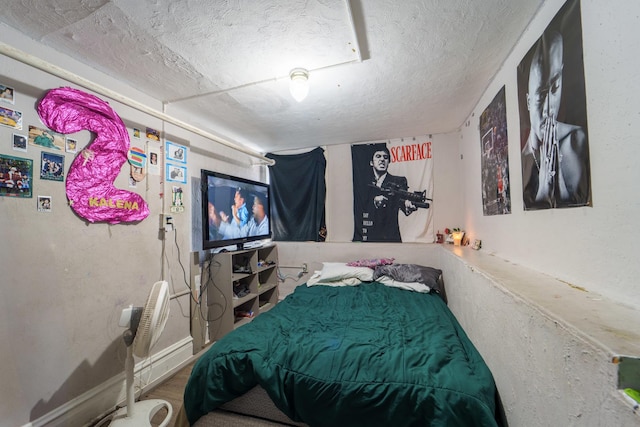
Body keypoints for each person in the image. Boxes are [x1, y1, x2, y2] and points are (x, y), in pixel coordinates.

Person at [521, 30, 590, 209]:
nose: (548, 108)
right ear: (529, 102)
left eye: (555, 87)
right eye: (541, 95)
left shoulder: (575, 140)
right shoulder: (523, 159)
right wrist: (545, 186)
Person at [361, 145, 417, 242]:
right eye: (378, 156)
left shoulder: (399, 181)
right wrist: (374, 201)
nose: (382, 159)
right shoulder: (364, 184)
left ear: (388, 162)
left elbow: (403, 203)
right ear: (371, 162)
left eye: (385, 157)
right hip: (369, 237)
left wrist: (408, 207)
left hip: (391, 237)